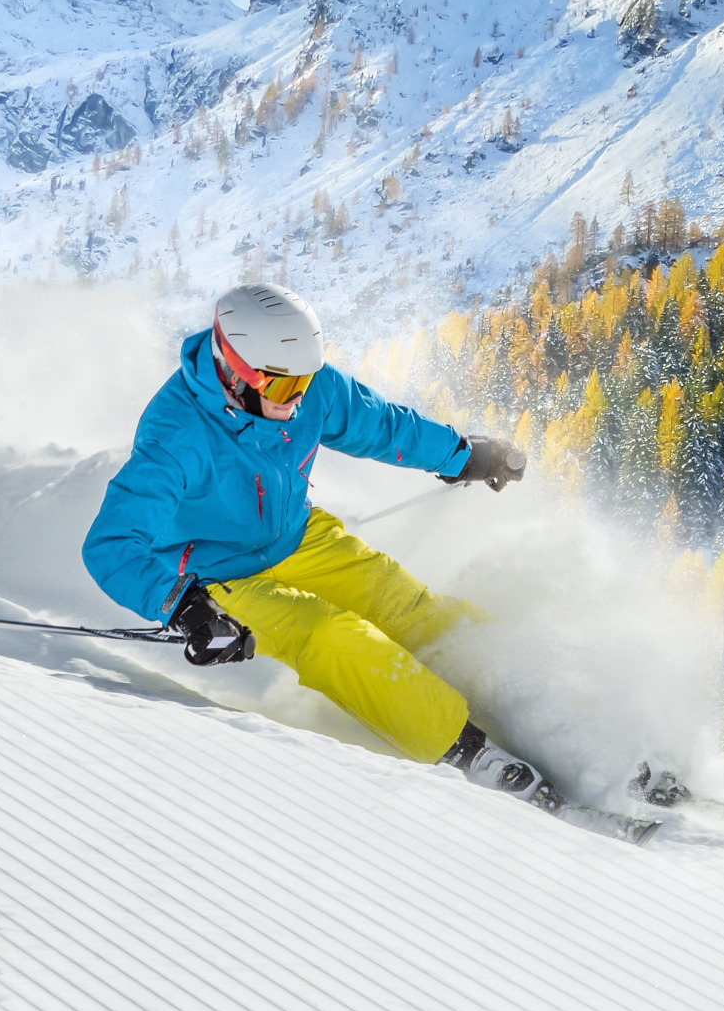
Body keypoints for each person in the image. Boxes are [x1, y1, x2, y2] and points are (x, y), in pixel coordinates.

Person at [81, 283, 551, 804]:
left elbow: (378, 423)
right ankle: (469, 752)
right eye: (285, 390)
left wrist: (459, 455)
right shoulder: (177, 434)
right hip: (220, 574)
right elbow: (110, 543)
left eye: (306, 381)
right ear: (236, 375)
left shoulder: (304, 389)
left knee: (407, 606)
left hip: (297, 536)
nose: (300, 399)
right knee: (332, 637)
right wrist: (186, 608)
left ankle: (541, 704)